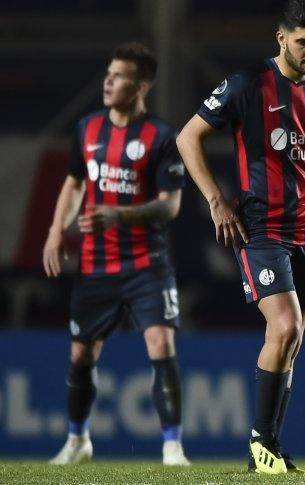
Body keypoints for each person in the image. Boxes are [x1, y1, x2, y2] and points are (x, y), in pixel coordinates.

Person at [176, 0, 305, 475]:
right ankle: (261, 445)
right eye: (303, 41)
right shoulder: (247, 85)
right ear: (281, 38)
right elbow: (188, 138)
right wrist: (216, 201)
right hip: (261, 229)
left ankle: (268, 449)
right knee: (283, 328)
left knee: (293, 341)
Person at [42, 42, 190, 466]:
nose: (108, 81)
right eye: (108, 73)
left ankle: (173, 448)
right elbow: (74, 184)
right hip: (96, 264)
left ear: (141, 86)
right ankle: (77, 441)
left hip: (148, 264)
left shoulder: (162, 137)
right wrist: (56, 230)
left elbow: (170, 205)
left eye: (119, 75)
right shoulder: (87, 129)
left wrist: (119, 215)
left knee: (161, 342)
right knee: (81, 354)